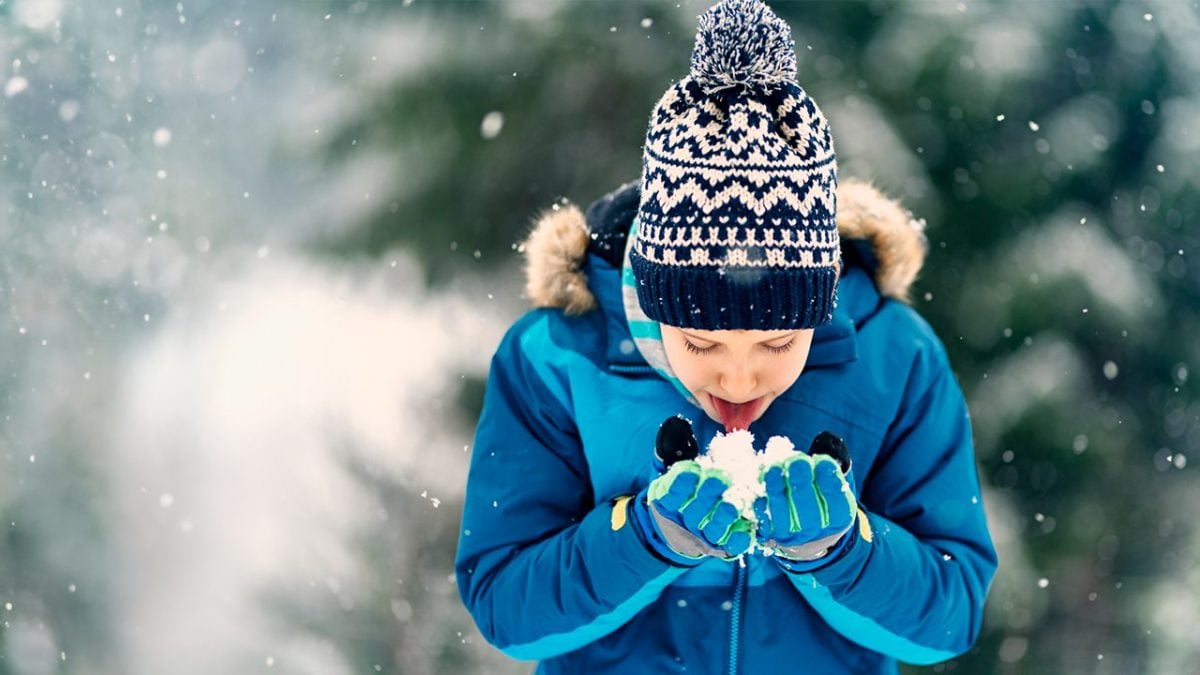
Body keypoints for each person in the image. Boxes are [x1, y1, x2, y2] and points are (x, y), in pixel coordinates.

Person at [455, 1, 997, 672]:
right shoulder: (556, 359)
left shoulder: (898, 358)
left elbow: (952, 612)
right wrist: (645, 537)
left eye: (776, 345)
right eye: (702, 344)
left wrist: (843, 550)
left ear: (820, 302)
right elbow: (506, 605)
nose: (737, 382)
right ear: (651, 301)